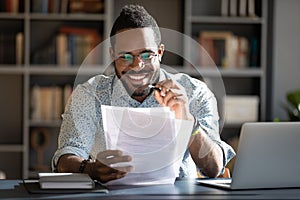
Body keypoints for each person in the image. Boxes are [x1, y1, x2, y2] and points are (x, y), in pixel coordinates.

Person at [52, 4, 235, 183]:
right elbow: (65, 158)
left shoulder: (194, 92)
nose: (137, 65)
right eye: (125, 56)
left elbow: (214, 168)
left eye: (146, 55)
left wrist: (188, 121)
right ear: (112, 55)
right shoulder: (89, 95)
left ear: (160, 52)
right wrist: (91, 169)